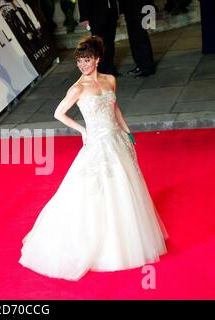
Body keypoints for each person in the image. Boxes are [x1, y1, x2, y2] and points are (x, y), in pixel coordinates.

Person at [19, 36, 168, 281]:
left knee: (124, 188)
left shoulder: (110, 80)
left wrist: (128, 132)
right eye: (79, 61)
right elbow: (58, 113)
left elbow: (115, 108)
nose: (82, 65)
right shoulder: (77, 88)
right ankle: (98, 242)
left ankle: (125, 237)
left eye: (87, 60)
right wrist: (83, 131)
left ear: (97, 59)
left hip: (116, 138)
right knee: (95, 192)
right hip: (97, 142)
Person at [77, 0, 119, 76]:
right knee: (98, 44)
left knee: (110, 43)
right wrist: (84, 17)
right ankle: (101, 71)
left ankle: (110, 69)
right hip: (96, 15)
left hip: (111, 13)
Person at [119, 0, 156, 77]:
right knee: (134, 41)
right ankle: (140, 65)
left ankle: (148, 68)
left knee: (142, 40)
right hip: (129, 13)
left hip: (140, 12)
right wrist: (122, 11)